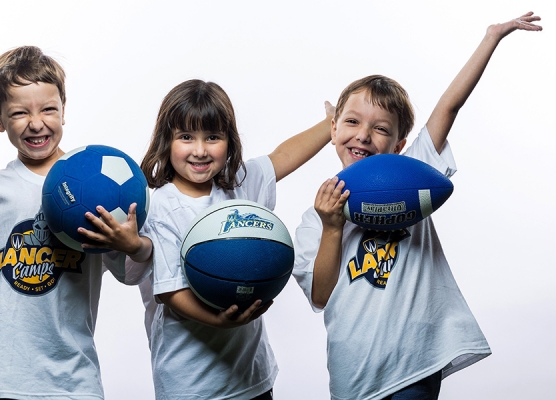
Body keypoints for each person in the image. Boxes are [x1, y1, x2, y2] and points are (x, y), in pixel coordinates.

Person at [292, 12, 542, 400]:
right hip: (354, 371)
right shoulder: (314, 220)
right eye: (353, 122)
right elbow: (321, 295)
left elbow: (449, 108)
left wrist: (491, 38)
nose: (363, 135)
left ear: (399, 145)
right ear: (334, 131)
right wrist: (332, 226)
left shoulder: (411, 178)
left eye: (380, 128)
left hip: (414, 361)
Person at [0, 45, 153, 400]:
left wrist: (132, 245)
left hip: (73, 378)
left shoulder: (102, 186)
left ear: (64, 108)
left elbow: (130, 272)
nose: (36, 123)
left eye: (48, 109)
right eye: (19, 113)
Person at [139, 79, 333, 399]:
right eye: (186, 137)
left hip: (250, 377)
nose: (200, 150)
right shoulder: (160, 205)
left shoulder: (238, 185)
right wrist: (219, 321)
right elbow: (170, 292)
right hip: (189, 384)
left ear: (229, 141)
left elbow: (284, 155)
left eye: (212, 137)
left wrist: (331, 124)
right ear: (166, 141)